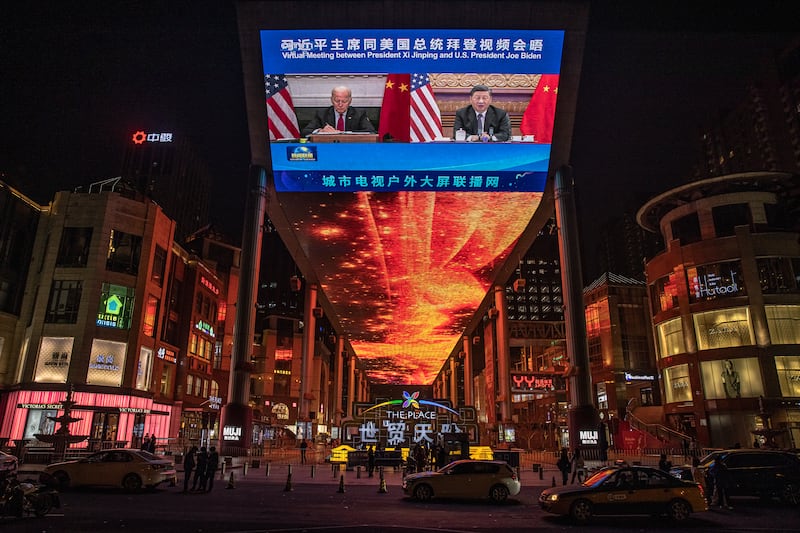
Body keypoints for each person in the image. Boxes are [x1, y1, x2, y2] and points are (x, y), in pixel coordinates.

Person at [301, 86, 376, 136]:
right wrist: (320, 131)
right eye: (337, 101)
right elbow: (305, 132)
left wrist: (343, 133)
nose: (340, 104)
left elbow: (371, 132)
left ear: (350, 101)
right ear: (331, 100)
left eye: (344, 101)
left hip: (351, 148)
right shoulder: (322, 114)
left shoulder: (359, 114)